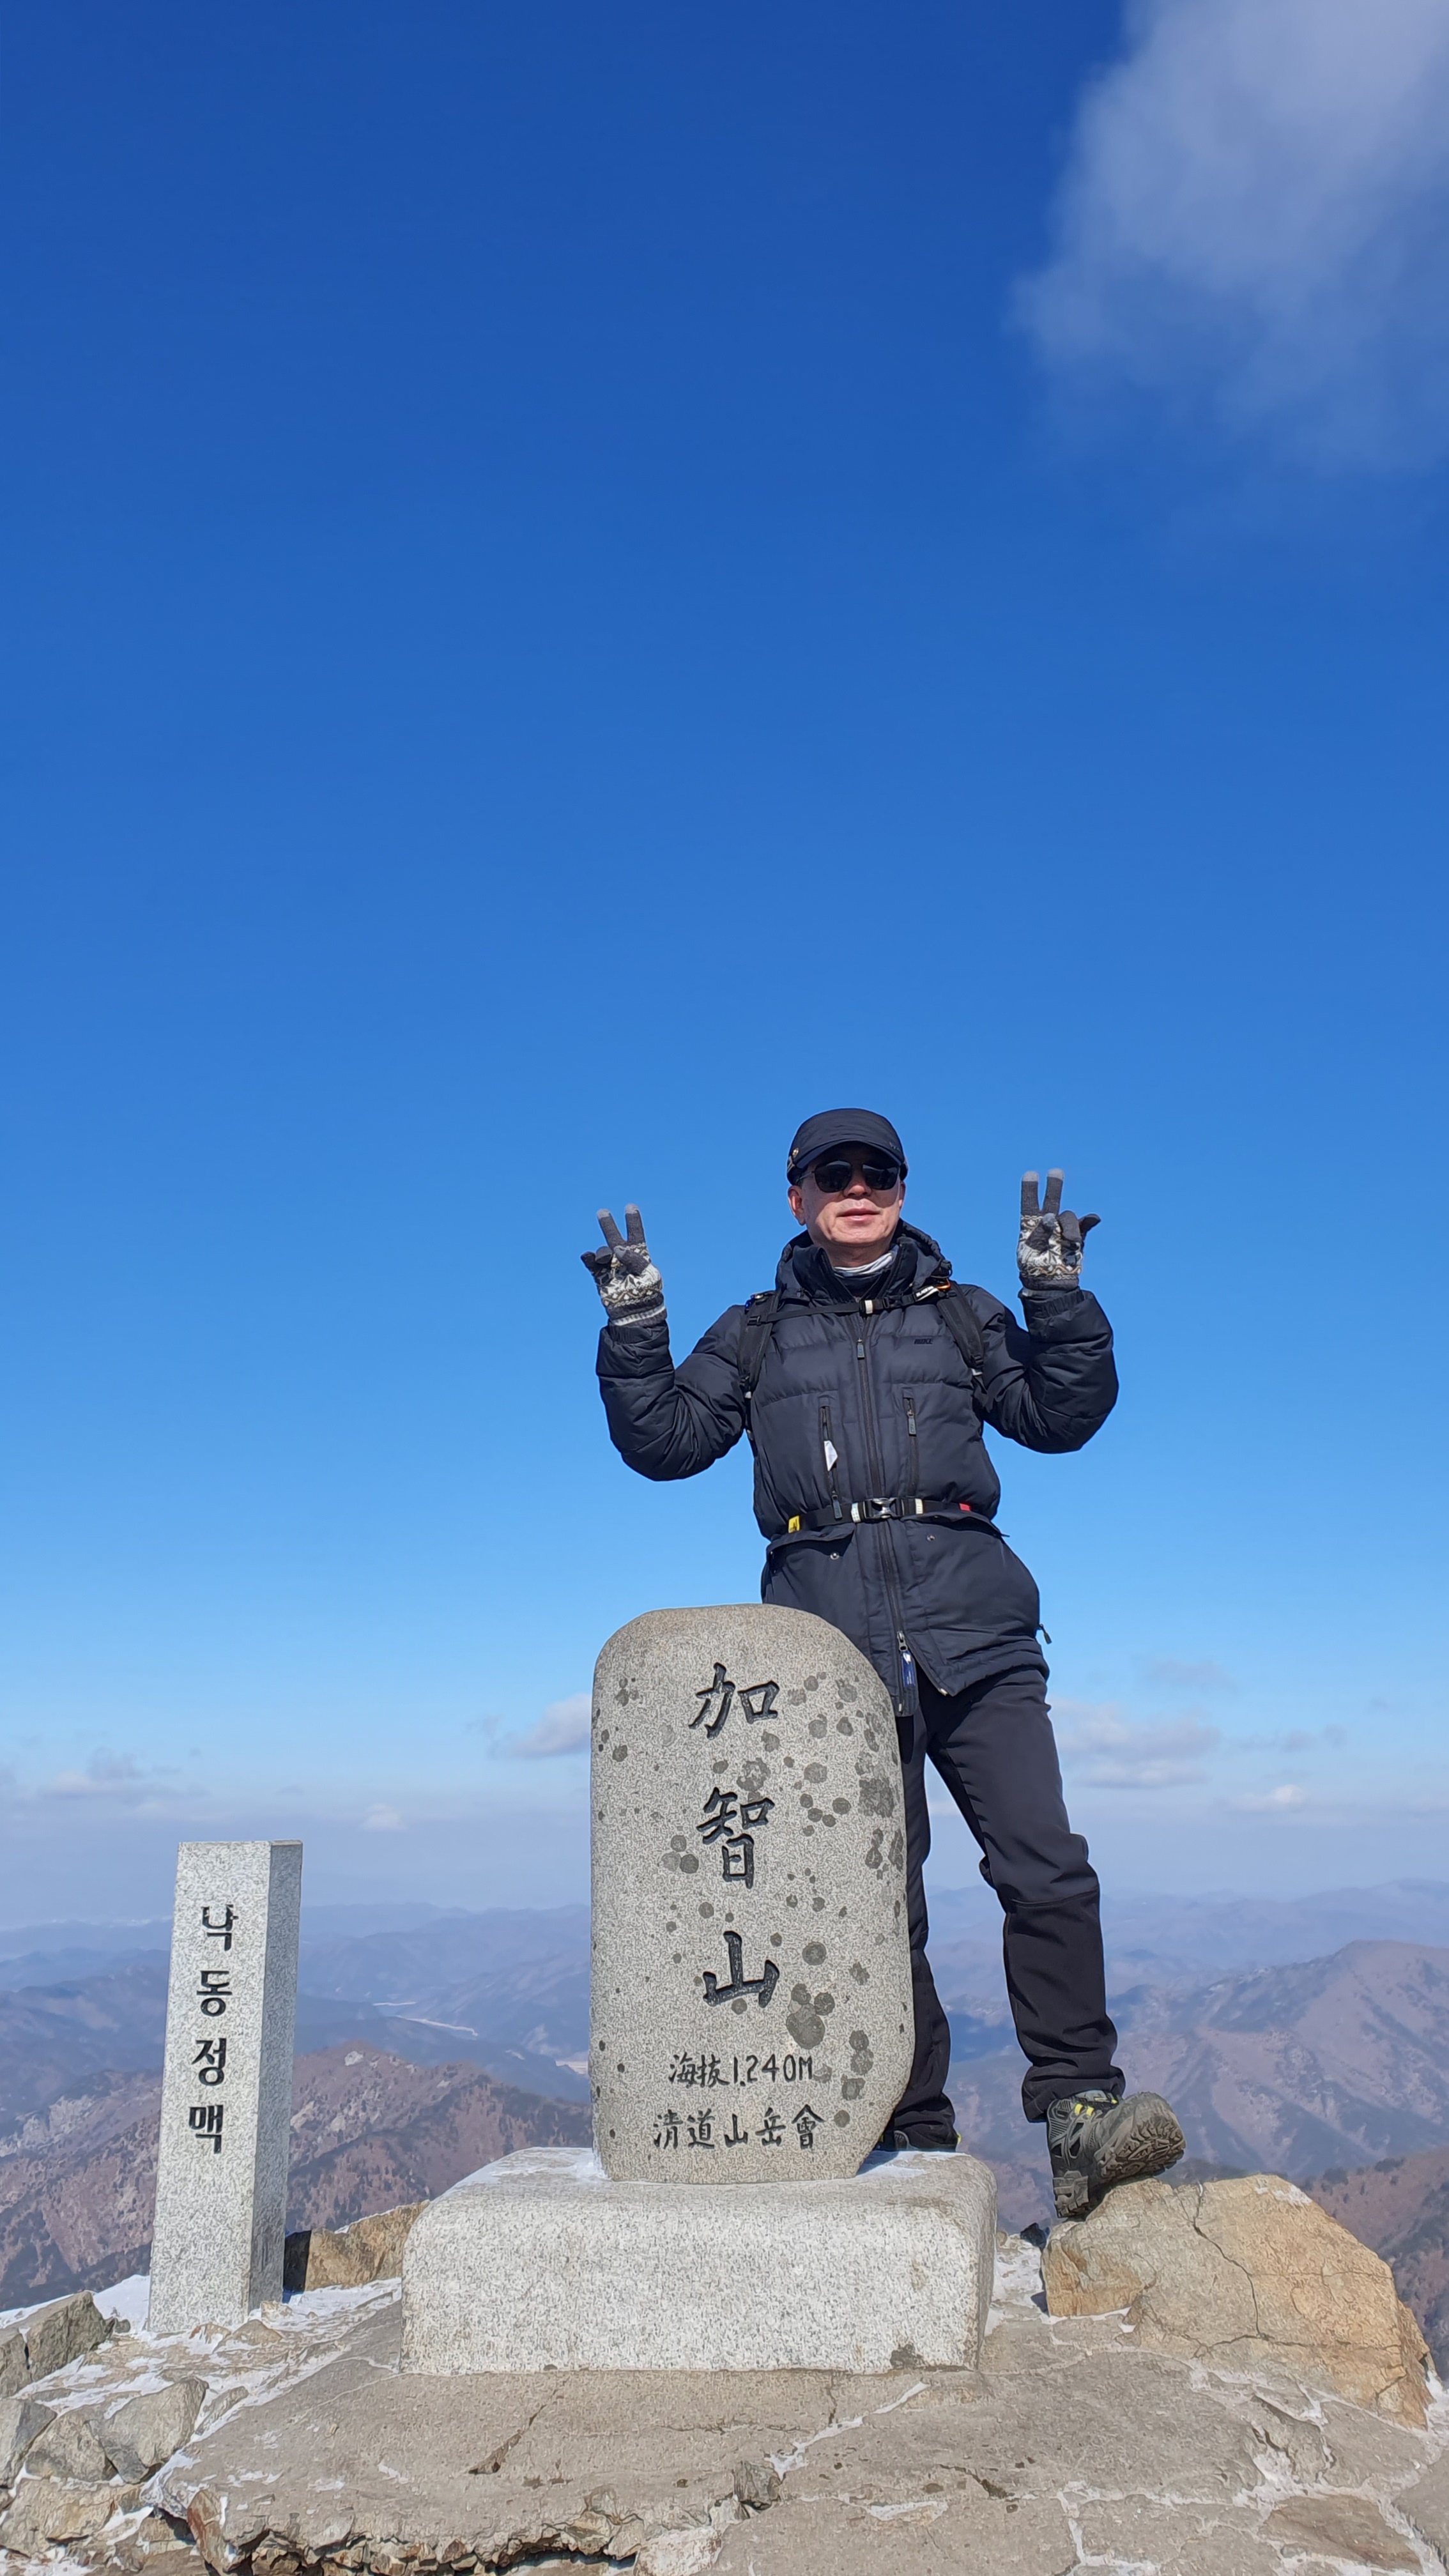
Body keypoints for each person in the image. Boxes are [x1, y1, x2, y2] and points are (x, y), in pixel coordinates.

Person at [582, 1108, 1184, 2217]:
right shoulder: (755, 1332)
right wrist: (637, 1327)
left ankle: (1080, 2111)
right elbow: (664, 1443)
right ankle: (912, 2134)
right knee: (873, 1903)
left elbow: (1060, 1414)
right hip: (827, 1658)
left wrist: (1057, 1301)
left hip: (978, 1633)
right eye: (834, 1173)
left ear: (902, 1190)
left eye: (879, 1172)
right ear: (798, 1196)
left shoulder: (960, 1313)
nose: (857, 1188)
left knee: (1045, 1867)